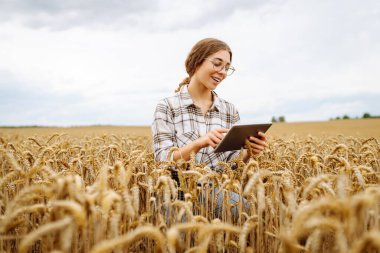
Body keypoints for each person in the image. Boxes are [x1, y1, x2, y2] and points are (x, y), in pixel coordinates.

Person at [152, 38, 268, 169]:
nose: (223, 72)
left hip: (220, 188)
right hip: (177, 188)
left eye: (227, 68)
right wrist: (198, 144)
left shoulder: (229, 110)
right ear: (197, 62)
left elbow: (232, 164)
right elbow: (162, 162)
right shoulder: (167, 107)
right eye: (217, 63)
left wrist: (250, 151)